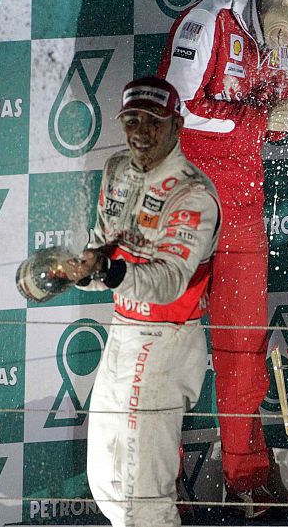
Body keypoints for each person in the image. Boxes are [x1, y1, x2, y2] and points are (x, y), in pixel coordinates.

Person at [157, 0, 288, 517]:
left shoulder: (277, 44)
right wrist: (269, 119)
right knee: (166, 348)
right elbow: (175, 108)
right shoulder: (210, 19)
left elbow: (260, 125)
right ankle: (157, 482)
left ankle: (249, 478)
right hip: (182, 205)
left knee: (244, 349)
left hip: (243, 208)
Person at [64, 75, 221, 526]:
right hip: (124, 331)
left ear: (176, 125)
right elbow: (105, 244)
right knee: (108, 478)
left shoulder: (193, 192)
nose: (140, 131)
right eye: (131, 119)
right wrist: (81, 270)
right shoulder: (116, 170)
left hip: (166, 338)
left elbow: (170, 279)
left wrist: (109, 273)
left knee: (141, 488)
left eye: (153, 121)